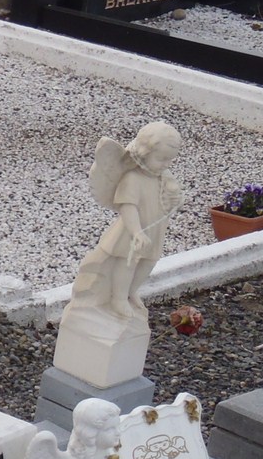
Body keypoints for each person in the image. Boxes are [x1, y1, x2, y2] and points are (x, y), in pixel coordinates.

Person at [67, 122, 183, 327]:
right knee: (127, 262)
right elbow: (127, 206)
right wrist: (136, 231)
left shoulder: (162, 177)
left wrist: (174, 197)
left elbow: (170, 196)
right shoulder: (132, 179)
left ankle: (131, 291)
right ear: (144, 154)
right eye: (161, 159)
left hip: (155, 229)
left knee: (149, 261)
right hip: (132, 230)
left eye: (169, 160)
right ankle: (118, 298)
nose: (166, 165)